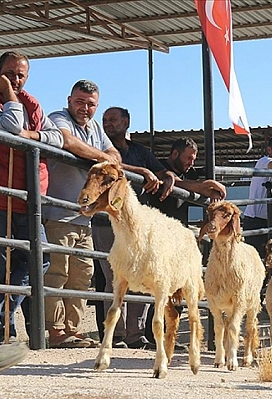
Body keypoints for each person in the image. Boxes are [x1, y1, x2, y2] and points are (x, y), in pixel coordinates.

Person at [0, 51, 64, 343]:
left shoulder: (32, 104)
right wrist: (10, 94)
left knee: (40, 259)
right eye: (10, 73)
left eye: (20, 75)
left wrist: (34, 136)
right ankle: (3, 333)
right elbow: (12, 128)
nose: (15, 79)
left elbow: (57, 138)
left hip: (27, 200)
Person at [43, 80, 122, 348]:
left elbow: (114, 153)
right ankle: (56, 331)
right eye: (80, 102)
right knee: (57, 273)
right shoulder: (58, 118)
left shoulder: (95, 127)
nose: (85, 108)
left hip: (84, 215)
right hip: (58, 212)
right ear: (69, 100)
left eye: (90, 104)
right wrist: (102, 158)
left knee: (82, 275)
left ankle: (72, 330)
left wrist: (102, 156)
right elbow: (69, 142)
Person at [91, 106, 175, 349]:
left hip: (138, 225)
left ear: (126, 122)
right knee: (114, 276)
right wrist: (143, 173)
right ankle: (114, 335)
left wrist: (167, 176)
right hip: (107, 222)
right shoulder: (101, 148)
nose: (108, 124)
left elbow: (160, 170)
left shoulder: (139, 150)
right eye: (105, 120)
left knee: (141, 275)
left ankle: (135, 335)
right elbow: (108, 167)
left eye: (113, 120)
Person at [147, 137, 227, 224]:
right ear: (175, 153)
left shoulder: (190, 173)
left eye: (193, 160)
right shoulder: (158, 168)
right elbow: (179, 183)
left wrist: (213, 192)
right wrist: (208, 185)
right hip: (157, 226)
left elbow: (195, 187)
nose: (191, 163)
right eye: (189, 158)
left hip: (179, 229)